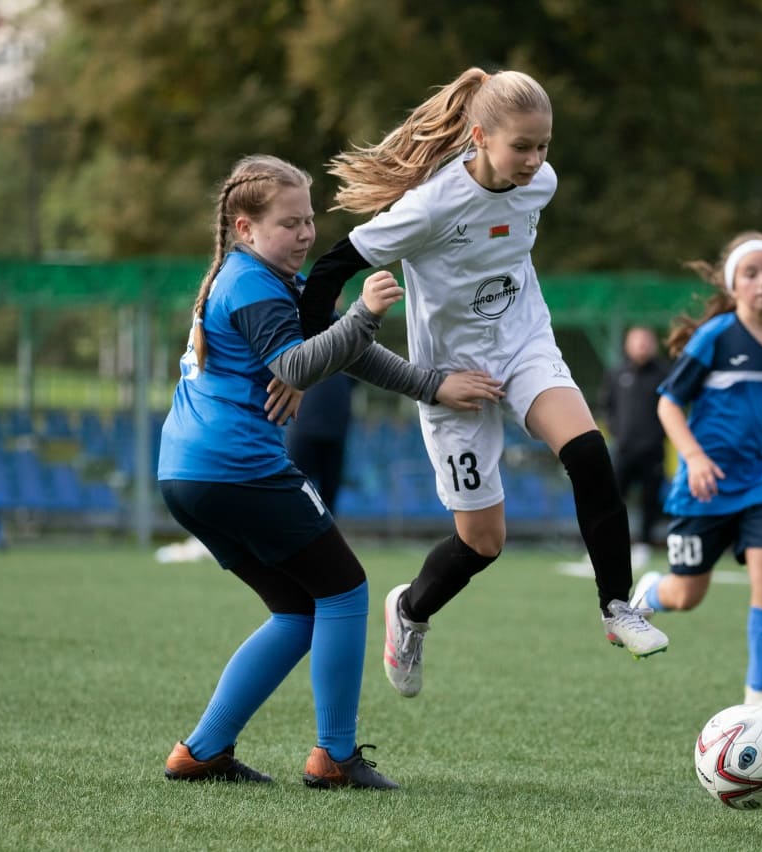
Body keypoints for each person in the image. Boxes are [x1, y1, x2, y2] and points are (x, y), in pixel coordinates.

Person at [298, 67, 669, 701]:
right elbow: (331, 268)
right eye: (521, 146)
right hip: (451, 381)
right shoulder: (431, 205)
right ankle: (409, 611)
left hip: (525, 347)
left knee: (588, 452)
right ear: (479, 138)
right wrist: (303, 356)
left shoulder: (541, 184)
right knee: (484, 542)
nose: (534, 160)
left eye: (543, 145)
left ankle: (616, 607)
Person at [155, 154, 501, 789]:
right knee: (344, 589)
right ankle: (335, 757)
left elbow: (339, 355)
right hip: (239, 468)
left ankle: (202, 751)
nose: (305, 234)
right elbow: (296, 366)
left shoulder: (251, 276)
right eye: (288, 223)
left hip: (187, 472)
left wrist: (430, 384)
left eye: (309, 220)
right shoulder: (255, 284)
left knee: (297, 609)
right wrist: (364, 313)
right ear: (244, 228)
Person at [629, 232, 762, 723]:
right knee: (687, 595)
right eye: (752, 273)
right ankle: (651, 592)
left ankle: (759, 695)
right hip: (705, 486)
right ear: (733, 284)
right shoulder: (716, 338)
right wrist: (695, 458)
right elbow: (669, 403)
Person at [598, 325, 673, 569]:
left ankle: (643, 545)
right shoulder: (617, 373)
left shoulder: (664, 374)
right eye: (637, 341)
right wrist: (617, 432)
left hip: (653, 450)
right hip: (623, 449)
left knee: (649, 500)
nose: (642, 346)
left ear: (654, 345)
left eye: (646, 341)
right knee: (612, 499)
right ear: (628, 345)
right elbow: (606, 406)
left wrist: (659, 434)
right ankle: (606, 546)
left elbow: (674, 407)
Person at [285, 368, 357, 515]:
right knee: (296, 496)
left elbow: (358, 376)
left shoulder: (347, 357)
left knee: (328, 503)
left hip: (335, 431)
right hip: (305, 430)